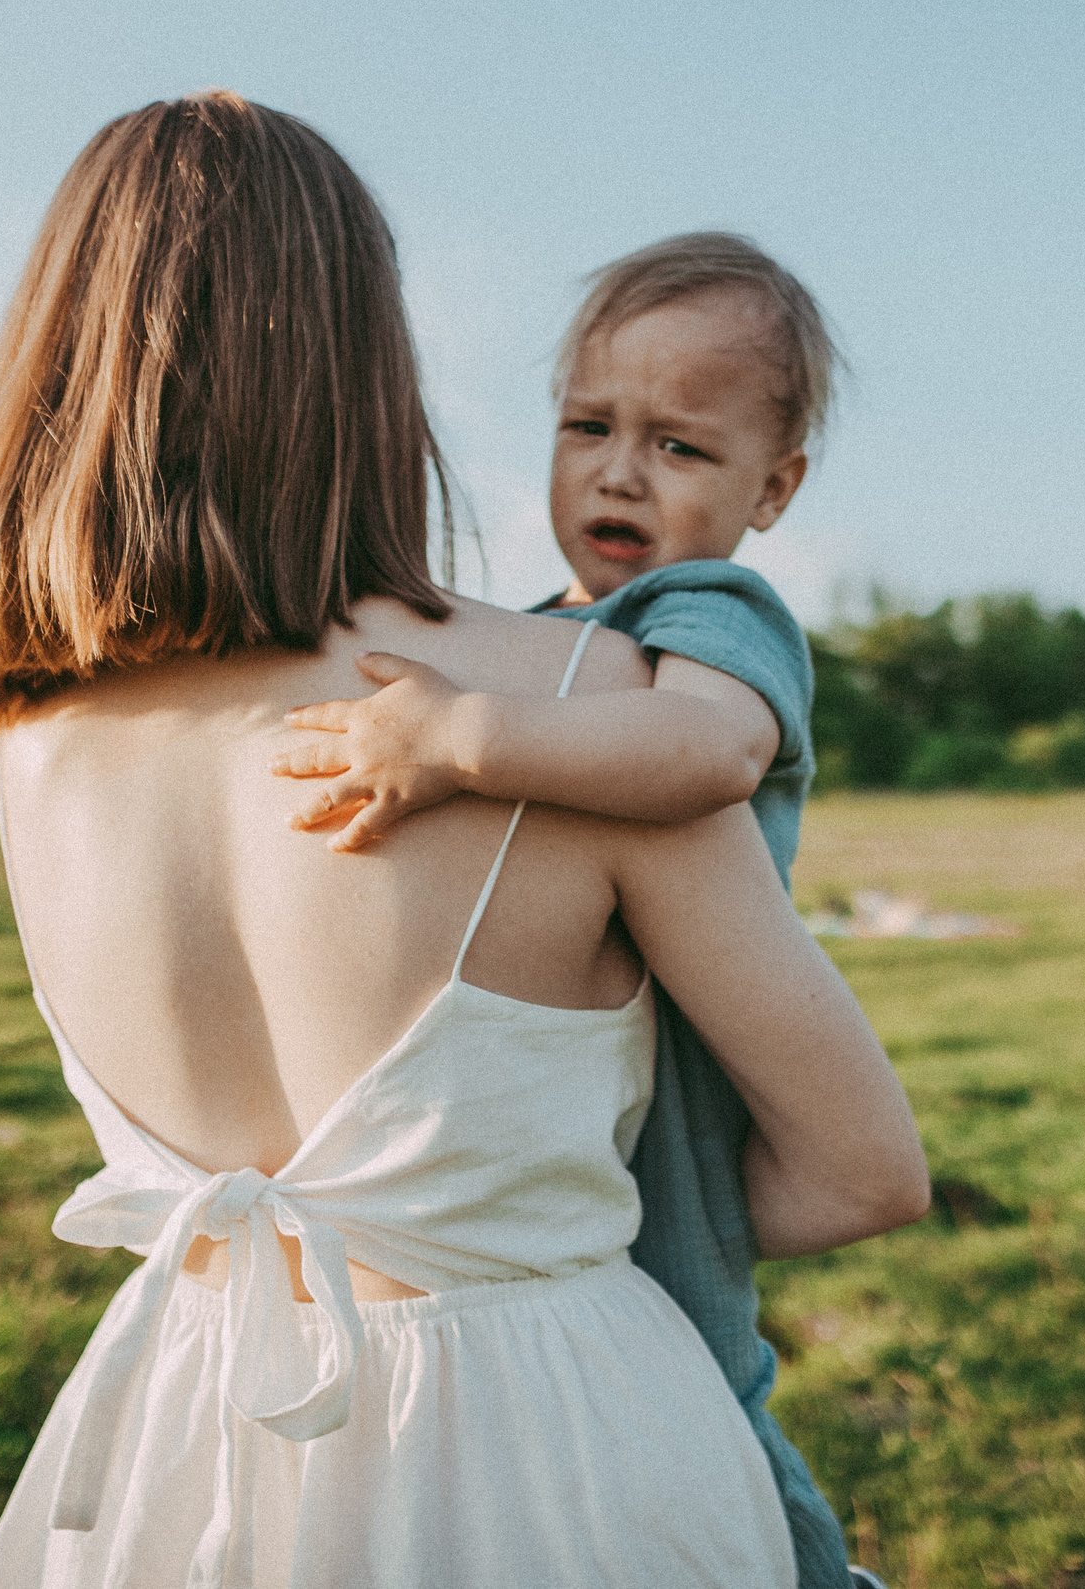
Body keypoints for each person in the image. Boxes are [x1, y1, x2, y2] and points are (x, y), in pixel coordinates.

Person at [0, 92, 927, 1589]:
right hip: (554, 1453)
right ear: (360, 352)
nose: (620, 471)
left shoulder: (33, 744)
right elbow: (866, 1172)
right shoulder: (579, 697)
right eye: (590, 427)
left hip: (196, 1441)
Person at [266, 234, 859, 1586]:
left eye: (680, 448)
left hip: (694, 1074)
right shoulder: (546, 632)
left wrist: (460, 738)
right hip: (577, 1064)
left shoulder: (709, 611)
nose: (617, 470)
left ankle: (804, 1567)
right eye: (589, 425)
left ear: (774, 490)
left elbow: (705, 758)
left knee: (701, 1380)